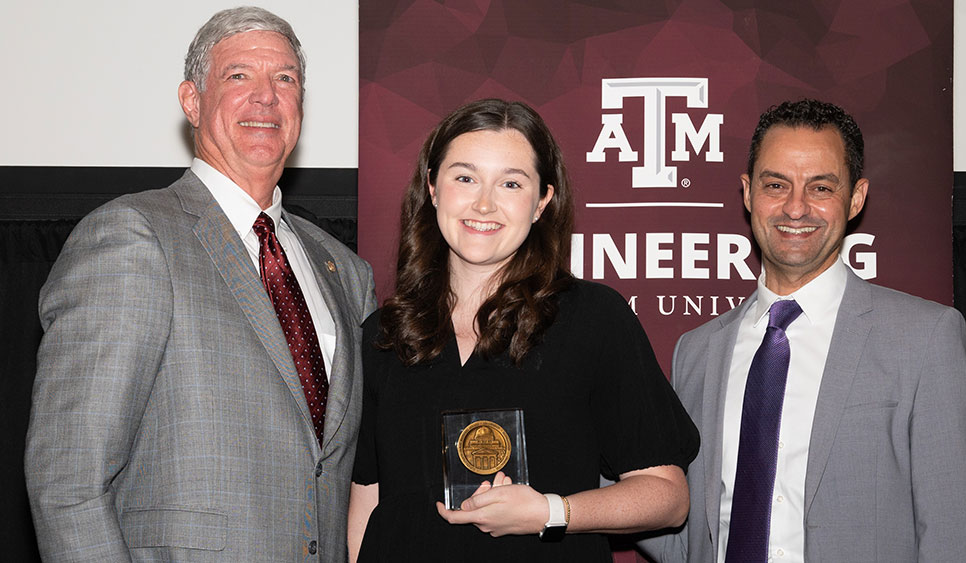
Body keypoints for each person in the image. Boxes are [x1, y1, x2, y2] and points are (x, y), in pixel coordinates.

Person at [24, 7, 376, 562]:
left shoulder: (345, 271)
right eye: (239, 76)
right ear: (192, 100)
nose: (266, 97)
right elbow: (68, 483)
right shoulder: (133, 237)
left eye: (285, 79)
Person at [346, 99, 699, 562]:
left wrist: (552, 512)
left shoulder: (594, 319)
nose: (484, 203)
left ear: (542, 202)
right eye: (465, 177)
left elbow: (667, 498)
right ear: (432, 188)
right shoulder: (385, 334)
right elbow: (367, 500)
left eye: (511, 183)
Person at [638, 99, 966, 562]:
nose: (795, 207)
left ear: (856, 197)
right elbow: (686, 541)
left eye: (820, 187)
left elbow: (953, 535)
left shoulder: (926, 338)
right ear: (747, 193)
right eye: (776, 184)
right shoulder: (697, 351)